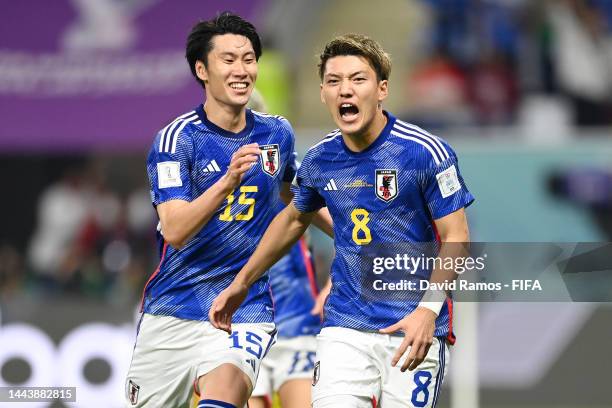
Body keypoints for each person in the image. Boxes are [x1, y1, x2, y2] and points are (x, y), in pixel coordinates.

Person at [210, 33, 474, 408]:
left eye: (357, 79)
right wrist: (241, 282)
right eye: (334, 82)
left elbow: (457, 235)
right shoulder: (320, 161)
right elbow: (293, 220)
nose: (345, 91)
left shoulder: (424, 152)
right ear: (322, 93)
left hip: (413, 328)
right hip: (345, 329)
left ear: (382, 89)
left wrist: (428, 310)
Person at [124, 12, 331, 408]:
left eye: (249, 59)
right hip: (174, 308)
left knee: (223, 397)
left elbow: (302, 197)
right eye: (229, 60)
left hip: (244, 306)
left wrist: (364, 249)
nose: (242, 70)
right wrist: (226, 182)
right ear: (202, 69)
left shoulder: (276, 134)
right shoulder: (177, 140)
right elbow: (175, 230)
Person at [245, 90, 325, 408]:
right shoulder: (212, 180)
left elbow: (344, 228)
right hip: (241, 324)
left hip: (296, 321)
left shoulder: (288, 175)